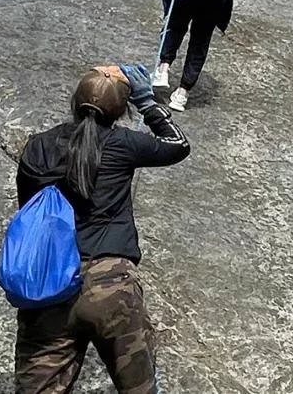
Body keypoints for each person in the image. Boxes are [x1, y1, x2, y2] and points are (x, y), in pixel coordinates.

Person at [13, 64, 190, 392]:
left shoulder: (38, 146)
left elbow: (28, 210)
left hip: (49, 286)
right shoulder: (123, 143)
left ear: (73, 102)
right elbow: (177, 145)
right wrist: (149, 104)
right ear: (122, 111)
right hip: (113, 288)